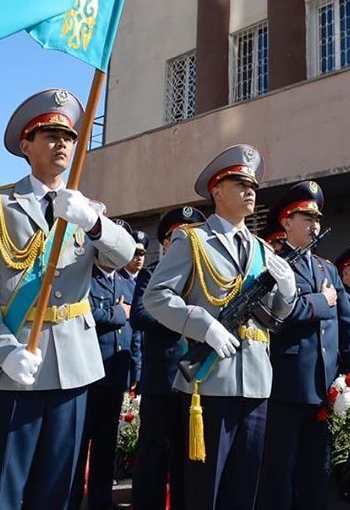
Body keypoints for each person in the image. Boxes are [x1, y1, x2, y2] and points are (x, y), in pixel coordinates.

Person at [0, 89, 135, 510]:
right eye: (50, 135)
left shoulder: (87, 208)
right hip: (17, 360)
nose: (62, 144)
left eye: (69, 137)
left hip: (74, 365)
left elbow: (124, 256)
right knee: (2, 487)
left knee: (57, 490)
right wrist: (3, 351)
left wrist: (94, 222)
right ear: (26, 145)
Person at [144, 144, 297, 510]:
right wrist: (204, 326)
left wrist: (288, 292)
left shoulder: (262, 249)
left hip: (256, 378)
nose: (250, 191)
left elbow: (275, 316)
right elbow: (156, 296)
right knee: (206, 489)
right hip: (211, 378)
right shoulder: (193, 239)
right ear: (217, 191)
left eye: (253, 186)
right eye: (240, 184)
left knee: (245, 487)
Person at [257, 181, 350, 510]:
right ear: (286, 222)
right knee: (279, 473)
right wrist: (321, 301)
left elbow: (347, 328)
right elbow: (274, 315)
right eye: (306, 218)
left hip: (324, 387)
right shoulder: (273, 264)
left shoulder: (327, 268)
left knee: (316, 474)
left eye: (317, 219)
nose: (314, 225)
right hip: (287, 386)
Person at [130, 206, 204, 510]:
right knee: (153, 453)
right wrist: (183, 319)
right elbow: (139, 315)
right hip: (162, 378)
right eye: (178, 237)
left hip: (197, 379)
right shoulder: (152, 273)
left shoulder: (203, 276)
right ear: (165, 243)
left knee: (188, 457)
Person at [70, 225, 140, 510]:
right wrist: (118, 313)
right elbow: (83, 314)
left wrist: (135, 368)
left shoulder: (126, 284)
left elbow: (135, 331)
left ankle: (100, 499)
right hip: (88, 374)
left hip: (116, 373)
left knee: (106, 442)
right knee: (78, 442)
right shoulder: (84, 278)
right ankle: (71, 498)